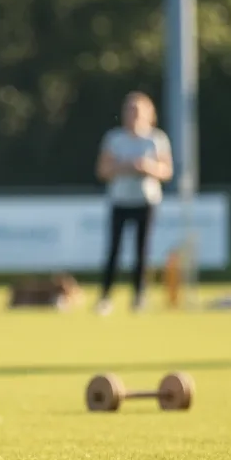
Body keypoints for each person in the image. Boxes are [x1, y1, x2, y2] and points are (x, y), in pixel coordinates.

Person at [94, 91, 173, 313]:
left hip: (146, 201)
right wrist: (125, 167)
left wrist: (147, 167)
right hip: (120, 200)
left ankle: (139, 297)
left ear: (149, 113)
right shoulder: (114, 138)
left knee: (141, 251)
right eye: (129, 110)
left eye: (137, 110)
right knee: (114, 251)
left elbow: (167, 171)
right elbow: (102, 170)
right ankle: (105, 297)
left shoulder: (156, 139)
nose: (132, 115)